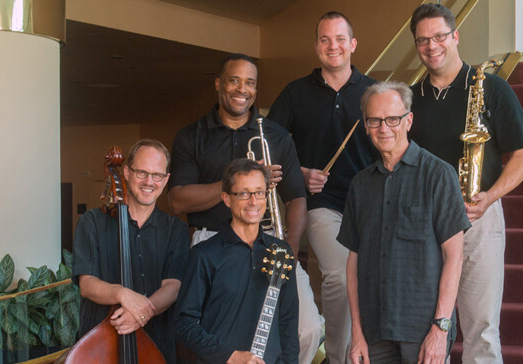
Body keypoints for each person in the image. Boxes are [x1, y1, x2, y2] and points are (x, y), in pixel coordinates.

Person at [168, 53, 322, 363]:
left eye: (250, 82)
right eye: (234, 80)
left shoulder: (277, 136)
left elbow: (297, 198)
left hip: (269, 244)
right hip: (211, 244)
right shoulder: (192, 136)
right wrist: (241, 177)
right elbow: (177, 200)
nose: (242, 89)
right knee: (220, 336)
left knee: (306, 329)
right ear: (218, 84)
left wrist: (289, 250)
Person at [408, 4, 523, 363]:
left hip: (477, 217)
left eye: (439, 37)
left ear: (455, 36)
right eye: (422, 40)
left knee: (481, 327)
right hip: (425, 224)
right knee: (427, 329)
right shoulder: (410, 99)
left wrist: (490, 197)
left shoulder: (492, 87)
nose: (432, 46)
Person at [267, 12, 377, 363]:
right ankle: (337, 356)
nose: (334, 46)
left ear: (353, 44)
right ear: (316, 47)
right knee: (341, 279)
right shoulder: (295, 93)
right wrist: (299, 171)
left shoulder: (372, 91)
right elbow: (267, 148)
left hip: (369, 204)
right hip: (321, 204)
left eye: (340, 39)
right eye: (326, 40)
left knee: (370, 284)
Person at [338, 81, 469, 364]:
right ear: (366, 124)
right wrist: (357, 333)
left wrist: (440, 329)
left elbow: (454, 257)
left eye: (393, 119)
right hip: (374, 332)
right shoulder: (360, 185)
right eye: (374, 120)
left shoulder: (439, 175)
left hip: (422, 330)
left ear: (408, 121)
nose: (384, 128)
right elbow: (352, 264)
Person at [72, 138, 190, 364]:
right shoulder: (92, 222)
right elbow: (86, 284)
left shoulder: (176, 230)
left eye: (157, 175)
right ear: (126, 172)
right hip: (98, 350)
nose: (149, 181)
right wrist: (122, 293)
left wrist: (141, 314)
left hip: (157, 345)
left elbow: (173, 286)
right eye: (142, 173)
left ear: (166, 180)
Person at [175, 158, 299, 364]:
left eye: (260, 192)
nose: (253, 201)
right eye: (243, 193)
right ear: (226, 198)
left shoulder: (281, 252)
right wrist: (230, 356)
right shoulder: (204, 255)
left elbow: (288, 320)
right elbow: (183, 324)